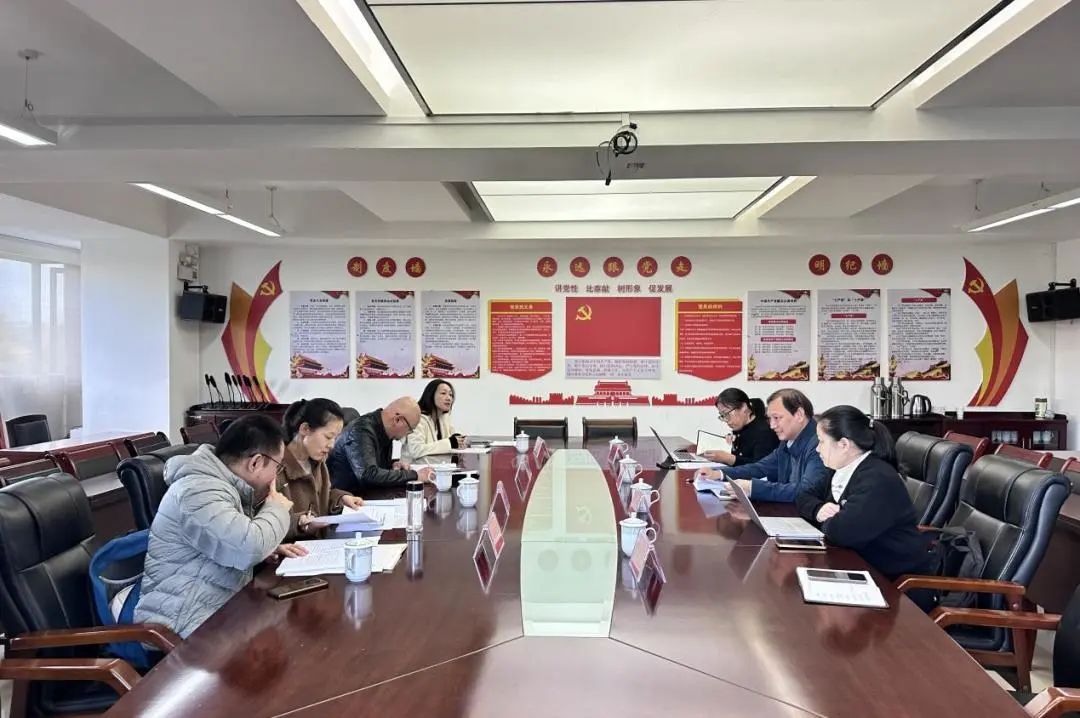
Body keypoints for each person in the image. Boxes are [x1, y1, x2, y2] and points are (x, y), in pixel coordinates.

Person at [134, 415, 297, 638]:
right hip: (181, 627)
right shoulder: (198, 490)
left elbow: (230, 540)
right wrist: (277, 509)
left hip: (216, 613)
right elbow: (247, 548)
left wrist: (269, 546)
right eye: (277, 467)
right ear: (255, 463)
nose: (275, 476)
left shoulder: (222, 486)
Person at [796, 405, 934, 596]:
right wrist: (819, 510)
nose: (817, 449)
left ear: (844, 445)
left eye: (821, 442)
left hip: (897, 587)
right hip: (864, 570)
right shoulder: (841, 470)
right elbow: (803, 496)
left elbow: (842, 532)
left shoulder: (877, 479)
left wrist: (828, 520)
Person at [694, 388, 828, 502]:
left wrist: (753, 488)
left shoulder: (819, 444)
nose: (772, 425)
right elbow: (761, 468)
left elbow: (806, 491)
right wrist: (719, 473)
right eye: (770, 419)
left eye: (777, 418)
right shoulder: (788, 440)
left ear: (799, 415)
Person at [279, 398, 364, 541]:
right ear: (305, 429)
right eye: (328, 437)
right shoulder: (275, 468)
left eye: (335, 438)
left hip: (320, 545)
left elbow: (322, 497)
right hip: (293, 550)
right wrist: (300, 522)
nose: (332, 445)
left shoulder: (317, 462)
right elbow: (265, 523)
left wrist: (341, 499)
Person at [328, 396, 435, 493]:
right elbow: (368, 475)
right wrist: (415, 475)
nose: (408, 434)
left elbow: (375, 467)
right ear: (398, 420)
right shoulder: (361, 430)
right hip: (347, 499)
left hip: (367, 494)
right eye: (410, 429)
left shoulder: (384, 429)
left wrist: (393, 466)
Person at [702, 388, 779, 466]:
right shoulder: (740, 429)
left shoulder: (765, 432)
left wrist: (729, 459)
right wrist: (729, 447)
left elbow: (762, 468)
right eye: (722, 416)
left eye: (727, 414)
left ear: (743, 407)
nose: (726, 421)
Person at [403, 379, 468, 464]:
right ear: (431, 395)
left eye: (451, 395)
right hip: (413, 469)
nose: (449, 398)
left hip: (436, 469)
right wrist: (449, 443)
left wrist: (458, 439)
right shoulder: (417, 419)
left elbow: (452, 438)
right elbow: (416, 450)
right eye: (443, 393)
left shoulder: (443, 419)